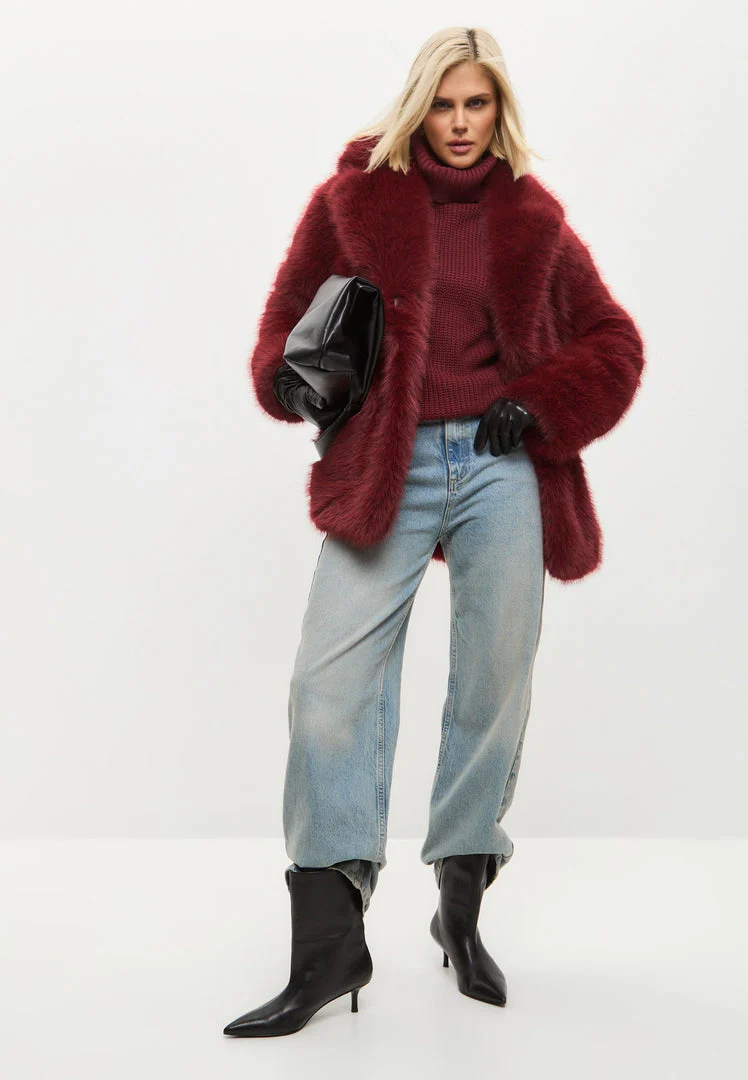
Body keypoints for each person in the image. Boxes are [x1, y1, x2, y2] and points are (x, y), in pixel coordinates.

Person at [224, 25, 645, 1038]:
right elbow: (283, 329)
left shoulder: (533, 218)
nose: (460, 124)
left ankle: (460, 908)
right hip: (391, 462)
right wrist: (292, 380)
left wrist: (538, 404)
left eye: (478, 105)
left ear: (500, 111)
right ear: (420, 105)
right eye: (446, 104)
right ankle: (330, 947)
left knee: (493, 684)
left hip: (502, 467)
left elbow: (615, 341)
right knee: (327, 692)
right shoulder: (356, 201)